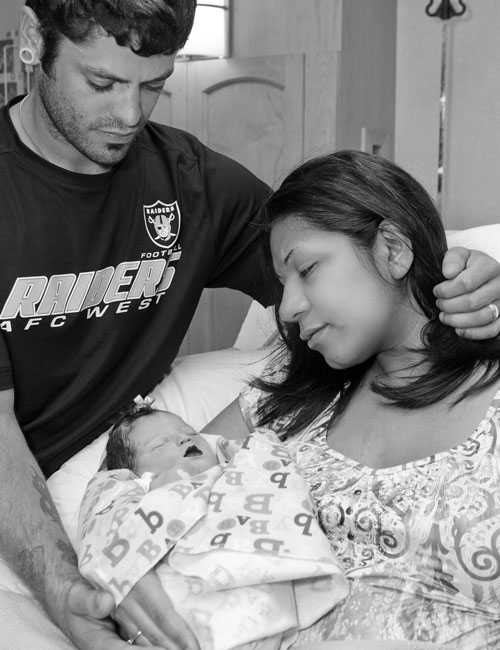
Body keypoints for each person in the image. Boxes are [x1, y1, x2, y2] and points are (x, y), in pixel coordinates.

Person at [0, 0, 499, 648]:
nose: (128, 114)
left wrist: (465, 277)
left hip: (118, 469)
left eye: (153, 86)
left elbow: (340, 261)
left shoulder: (195, 186)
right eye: (102, 82)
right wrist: (87, 569)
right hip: (39, 512)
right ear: (34, 39)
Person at [203, 150, 500, 648]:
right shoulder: (288, 398)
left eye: (307, 269)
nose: (288, 307)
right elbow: (150, 480)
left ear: (392, 249)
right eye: (282, 285)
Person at [78, 402, 348, 650]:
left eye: (190, 433)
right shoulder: (136, 494)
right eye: (159, 445)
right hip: (178, 604)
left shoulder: (238, 467)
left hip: (253, 591)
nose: (184, 439)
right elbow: (107, 520)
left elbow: (274, 483)